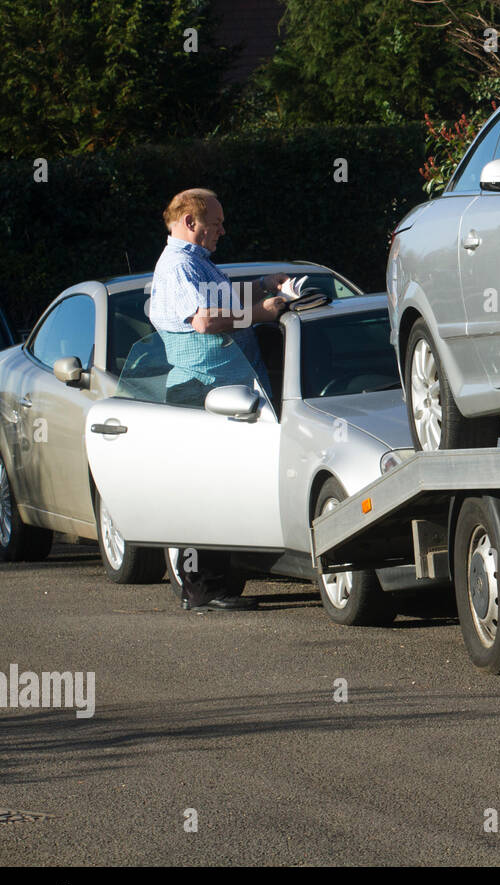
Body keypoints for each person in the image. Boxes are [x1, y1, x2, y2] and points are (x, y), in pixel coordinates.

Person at [147, 187, 290, 611]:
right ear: (191, 222)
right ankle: (204, 588)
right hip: (205, 392)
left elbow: (223, 301)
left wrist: (264, 285)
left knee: (217, 485)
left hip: (223, 394)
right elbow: (207, 320)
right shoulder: (178, 267)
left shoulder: (196, 263)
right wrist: (263, 312)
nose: (222, 231)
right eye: (216, 223)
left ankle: (214, 583)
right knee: (205, 487)